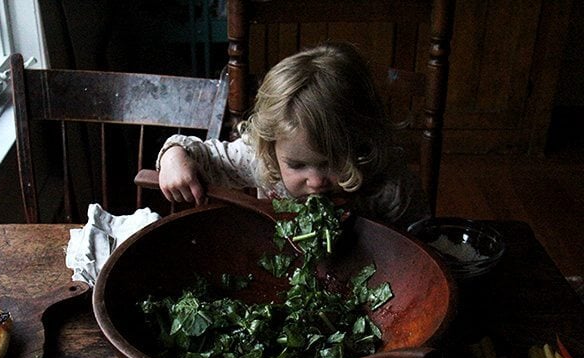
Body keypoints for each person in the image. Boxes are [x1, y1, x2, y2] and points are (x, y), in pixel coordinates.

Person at [155, 42, 430, 229]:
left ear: (362, 140)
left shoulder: (392, 189)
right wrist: (174, 156)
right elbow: (203, 156)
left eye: (331, 162)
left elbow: (419, 252)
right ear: (270, 148)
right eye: (297, 165)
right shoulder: (260, 160)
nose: (316, 181)